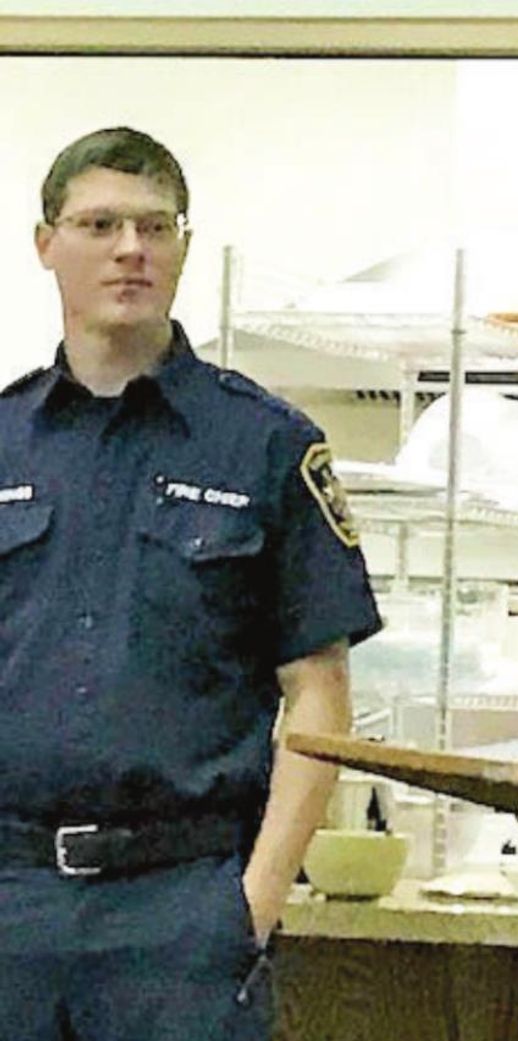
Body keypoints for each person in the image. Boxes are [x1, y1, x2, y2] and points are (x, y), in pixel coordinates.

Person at [0, 127, 381, 1040]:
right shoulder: (5, 441)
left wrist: (254, 903)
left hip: (181, 915)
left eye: (154, 226)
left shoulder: (263, 445)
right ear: (46, 243)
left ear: (183, 247)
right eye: (99, 224)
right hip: (11, 906)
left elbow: (320, 697)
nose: (130, 249)